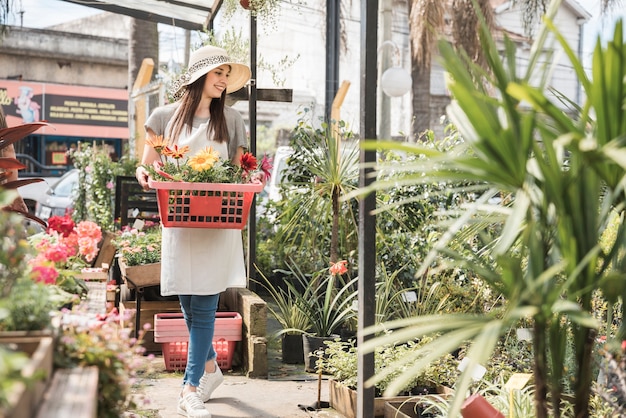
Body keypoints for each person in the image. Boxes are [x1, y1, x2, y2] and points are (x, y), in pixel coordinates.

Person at [135, 45, 251, 418]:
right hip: (181, 219)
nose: (224, 80)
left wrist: (250, 176)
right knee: (188, 300)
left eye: (227, 75)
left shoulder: (231, 120)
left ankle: (190, 389)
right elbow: (149, 164)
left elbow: (237, 170)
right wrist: (145, 174)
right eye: (219, 73)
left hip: (218, 222)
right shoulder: (163, 117)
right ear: (200, 75)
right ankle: (212, 367)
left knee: (203, 306)